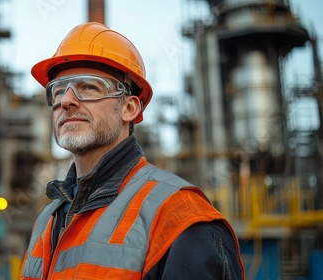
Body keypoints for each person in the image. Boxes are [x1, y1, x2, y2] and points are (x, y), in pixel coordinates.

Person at [20, 22, 245, 280]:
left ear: (129, 108)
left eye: (89, 87)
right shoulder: (47, 220)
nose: (66, 100)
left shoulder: (179, 215)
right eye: (58, 91)